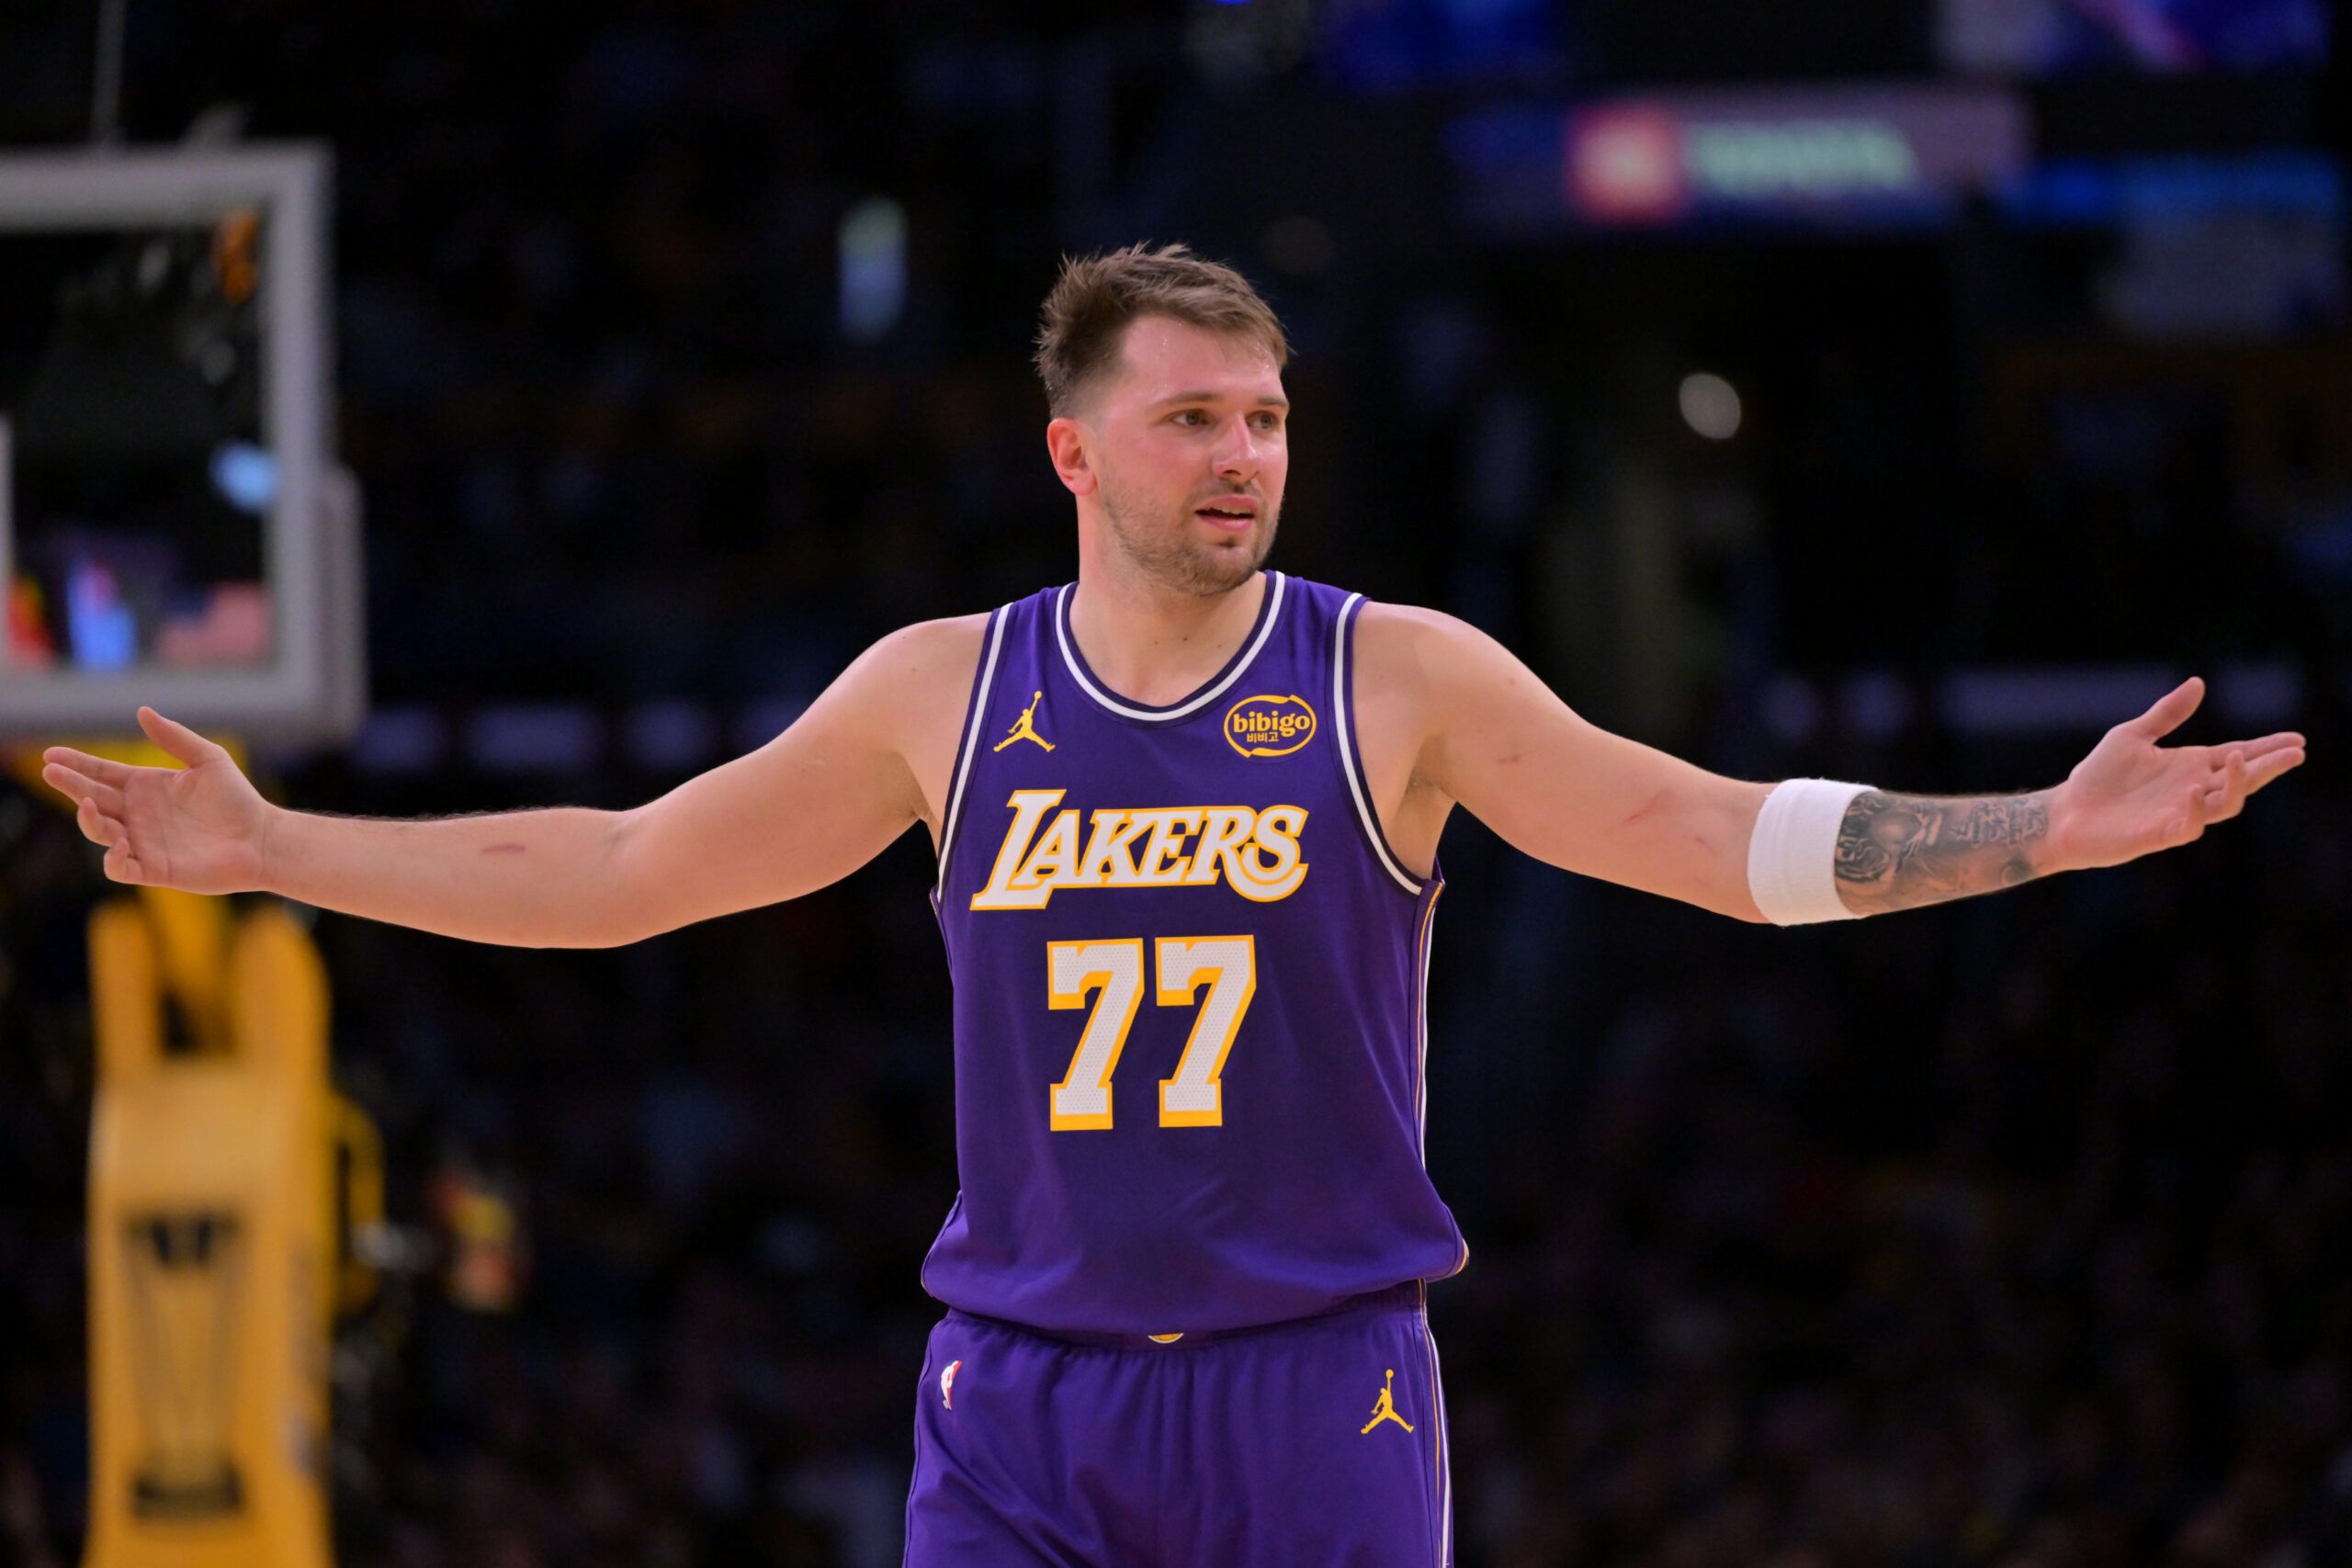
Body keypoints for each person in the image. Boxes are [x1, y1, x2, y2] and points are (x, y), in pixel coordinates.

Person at [40, 243, 2305, 1566]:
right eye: (1199, 417)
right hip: (1013, 1405)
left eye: (1270, 416)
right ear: (1078, 453)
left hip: (1315, 1391)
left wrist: (2036, 825)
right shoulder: (945, 695)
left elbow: (1706, 836)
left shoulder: (1390, 674)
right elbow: (631, 869)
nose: (1244, 452)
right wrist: (274, 852)